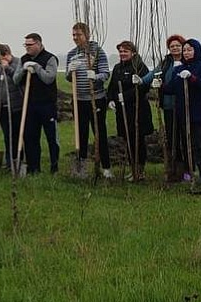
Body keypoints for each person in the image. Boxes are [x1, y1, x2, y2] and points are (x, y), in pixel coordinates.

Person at [171, 38, 201, 191]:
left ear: (197, 50)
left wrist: (191, 78)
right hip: (187, 114)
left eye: (189, 49)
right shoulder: (179, 69)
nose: (186, 52)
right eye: (185, 50)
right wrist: (160, 85)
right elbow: (173, 88)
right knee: (194, 147)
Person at [65, 23, 111, 178]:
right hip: (79, 100)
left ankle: (106, 168)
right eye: (73, 35)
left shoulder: (98, 52)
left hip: (96, 98)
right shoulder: (72, 54)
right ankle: (81, 167)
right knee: (81, 133)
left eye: (78, 35)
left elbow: (105, 73)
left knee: (100, 133)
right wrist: (70, 71)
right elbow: (68, 78)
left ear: (87, 35)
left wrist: (94, 76)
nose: (75, 38)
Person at [13, 33, 60, 174]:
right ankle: (34, 168)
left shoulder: (50, 58)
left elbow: (49, 78)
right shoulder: (24, 59)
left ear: (38, 44)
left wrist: (37, 67)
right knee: (30, 137)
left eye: (30, 45)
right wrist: (24, 69)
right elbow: (15, 79)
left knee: (51, 137)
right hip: (30, 104)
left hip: (47, 104)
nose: (27, 47)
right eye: (25, 45)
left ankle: (54, 167)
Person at [107, 40, 154, 181]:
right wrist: (111, 99)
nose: (122, 54)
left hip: (137, 110)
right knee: (127, 139)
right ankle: (132, 168)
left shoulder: (139, 67)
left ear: (133, 53)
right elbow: (112, 87)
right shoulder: (117, 68)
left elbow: (144, 87)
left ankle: (139, 170)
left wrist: (126, 96)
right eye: (120, 51)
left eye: (125, 51)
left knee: (137, 139)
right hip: (122, 111)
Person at [150, 35, 189, 182]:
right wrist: (142, 81)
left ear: (182, 46)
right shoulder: (166, 62)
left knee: (185, 137)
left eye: (178, 45)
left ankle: (188, 169)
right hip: (168, 105)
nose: (175, 48)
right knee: (172, 138)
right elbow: (154, 73)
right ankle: (175, 169)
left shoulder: (187, 61)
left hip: (184, 106)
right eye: (172, 46)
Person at [0, 44, 21, 170]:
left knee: (17, 136)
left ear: (7, 54)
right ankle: (9, 163)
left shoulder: (19, 63)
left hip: (16, 107)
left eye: (0, 58)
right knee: (8, 136)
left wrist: (8, 68)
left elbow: (18, 80)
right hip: (2, 107)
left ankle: (18, 160)